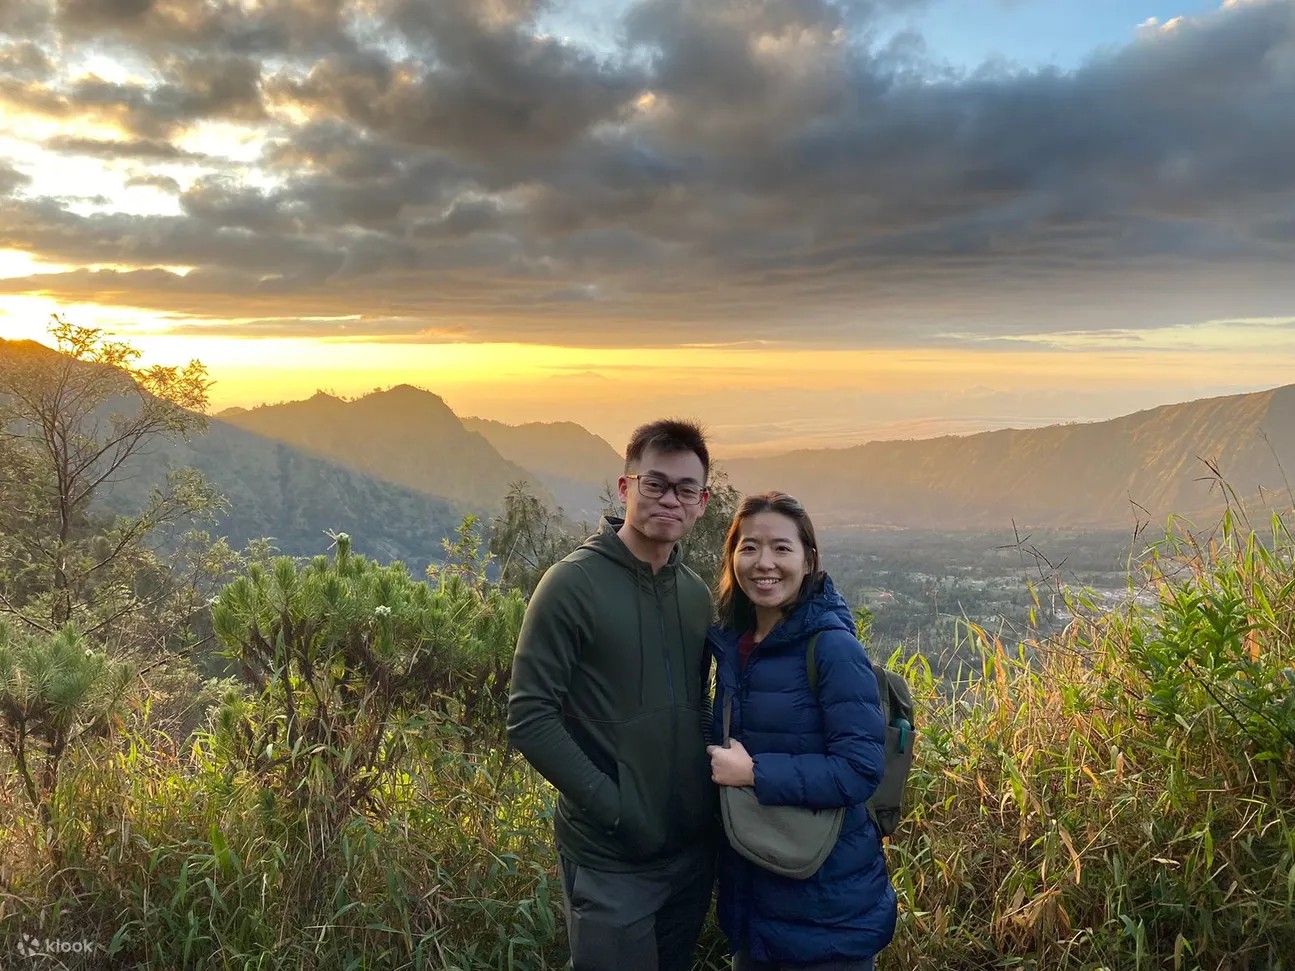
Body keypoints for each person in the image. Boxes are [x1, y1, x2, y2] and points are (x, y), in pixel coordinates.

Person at [507, 418, 718, 971]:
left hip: (690, 854)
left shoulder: (694, 595)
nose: (670, 499)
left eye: (685, 489)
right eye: (655, 483)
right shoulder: (571, 584)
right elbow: (530, 717)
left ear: (701, 502)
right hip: (610, 860)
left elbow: (697, 705)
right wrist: (617, 809)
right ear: (625, 487)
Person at [706, 492, 897, 970]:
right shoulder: (735, 643)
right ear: (732, 556)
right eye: (749, 547)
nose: (764, 562)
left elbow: (859, 769)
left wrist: (755, 773)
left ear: (809, 559)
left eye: (781, 548)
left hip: (826, 908)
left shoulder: (832, 648)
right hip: (757, 895)